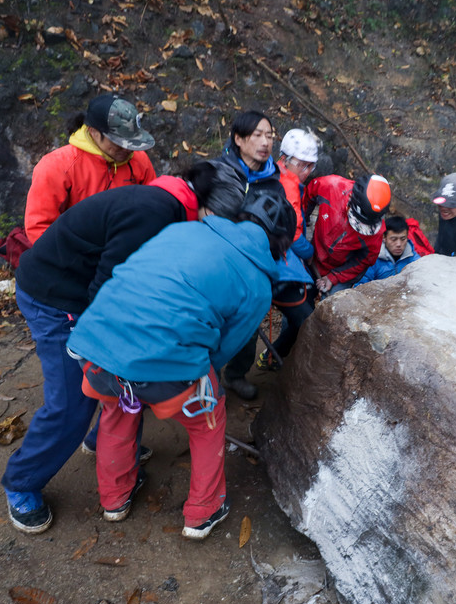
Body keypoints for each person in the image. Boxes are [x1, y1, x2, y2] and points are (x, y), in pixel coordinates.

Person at [1, 162, 244, 534]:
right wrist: (108, 349)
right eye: (217, 219)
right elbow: (108, 288)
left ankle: (109, 457)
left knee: (115, 393)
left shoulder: (167, 204)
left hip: (74, 291)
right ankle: (22, 482)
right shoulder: (154, 212)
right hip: (56, 297)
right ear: (205, 203)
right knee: (73, 402)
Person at [66, 189, 295, 540]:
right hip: (165, 366)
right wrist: (189, 379)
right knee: (208, 418)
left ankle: (114, 499)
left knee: (117, 411)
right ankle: (204, 511)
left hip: (98, 345)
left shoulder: (185, 229)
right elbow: (222, 351)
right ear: (281, 243)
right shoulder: (259, 286)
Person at [218, 111, 288, 399]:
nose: (265, 142)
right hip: (217, 263)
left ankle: (235, 375)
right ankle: (197, 381)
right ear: (239, 138)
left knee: (246, 327)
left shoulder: (273, 182)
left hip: (252, 269)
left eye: (269, 136)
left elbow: (284, 225)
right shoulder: (218, 173)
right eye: (258, 135)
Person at [24, 93, 156, 244]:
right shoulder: (57, 167)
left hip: (125, 247)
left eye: (132, 142)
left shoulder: (139, 160)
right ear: (93, 131)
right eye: (119, 142)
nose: (128, 149)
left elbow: (153, 209)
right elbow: (39, 227)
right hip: (75, 252)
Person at [255, 129, 320, 370]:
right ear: (301, 164)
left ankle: (254, 365)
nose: (308, 172)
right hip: (277, 262)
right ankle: (274, 359)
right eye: (307, 166)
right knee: (306, 318)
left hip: (260, 254)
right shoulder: (289, 187)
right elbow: (293, 233)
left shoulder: (268, 172)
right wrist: (309, 252)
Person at [303, 173, 392, 295]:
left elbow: (363, 261)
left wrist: (334, 277)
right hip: (313, 249)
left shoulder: (375, 234)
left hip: (341, 269)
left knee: (334, 303)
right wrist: (303, 227)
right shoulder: (331, 187)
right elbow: (308, 194)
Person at [354, 215, 421, 286]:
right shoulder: (373, 259)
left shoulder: (414, 259)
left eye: (403, 239)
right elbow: (360, 286)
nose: (399, 244)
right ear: (384, 238)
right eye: (393, 239)